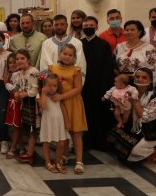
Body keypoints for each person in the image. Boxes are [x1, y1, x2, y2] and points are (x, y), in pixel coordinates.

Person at [106, 67, 156, 164]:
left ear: (150, 80)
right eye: (137, 76)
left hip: (149, 131)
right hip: (133, 128)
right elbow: (123, 111)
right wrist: (119, 103)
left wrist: (135, 102)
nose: (140, 79)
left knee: (133, 151)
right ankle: (138, 153)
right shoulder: (129, 92)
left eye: (144, 77)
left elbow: (144, 117)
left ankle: (152, 151)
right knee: (111, 136)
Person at [49, 44, 87, 175]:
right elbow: (49, 84)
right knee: (62, 132)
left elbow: (78, 89)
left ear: (74, 57)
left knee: (76, 132)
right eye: (64, 54)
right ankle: (63, 155)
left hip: (73, 103)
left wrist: (62, 96)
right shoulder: (53, 68)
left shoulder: (76, 70)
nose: (67, 57)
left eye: (70, 55)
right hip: (58, 104)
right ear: (59, 54)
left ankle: (79, 162)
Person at [80, 16, 115, 151]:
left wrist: (105, 88)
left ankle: (99, 142)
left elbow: (108, 67)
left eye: (91, 25)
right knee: (85, 114)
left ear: (96, 27)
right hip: (83, 86)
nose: (88, 28)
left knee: (99, 115)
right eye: (86, 26)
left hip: (99, 86)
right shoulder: (79, 44)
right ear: (82, 28)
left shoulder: (103, 44)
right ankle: (86, 142)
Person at [9, 50, 39, 162]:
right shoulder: (20, 72)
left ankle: (30, 154)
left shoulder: (34, 71)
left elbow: (35, 90)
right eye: (17, 59)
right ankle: (27, 151)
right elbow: (19, 86)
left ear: (28, 60)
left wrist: (24, 94)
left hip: (32, 102)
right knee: (26, 127)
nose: (19, 61)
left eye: (22, 58)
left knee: (32, 128)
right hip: (24, 102)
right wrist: (17, 92)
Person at [37, 73, 70, 173]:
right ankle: (47, 162)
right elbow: (43, 106)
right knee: (46, 142)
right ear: (44, 85)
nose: (52, 88)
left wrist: (67, 121)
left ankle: (57, 163)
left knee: (61, 143)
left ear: (58, 86)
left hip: (59, 123)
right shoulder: (40, 96)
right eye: (49, 85)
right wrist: (43, 93)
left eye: (54, 86)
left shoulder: (58, 96)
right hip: (48, 122)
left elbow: (63, 108)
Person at [38, 14, 87, 79]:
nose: (59, 27)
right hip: (52, 81)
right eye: (56, 25)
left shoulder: (77, 43)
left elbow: (80, 63)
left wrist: (69, 77)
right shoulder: (46, 43)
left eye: (62, 24)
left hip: (71, 81)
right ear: (53, 26)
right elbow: (45, 63)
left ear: (67, 25)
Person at [1, 53, 20, 155]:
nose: (12, 64)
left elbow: (17, 89)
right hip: (11, 101)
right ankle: (20, 146)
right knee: (12, 126)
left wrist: (8, 85)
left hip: (18, 102)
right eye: (10, 63)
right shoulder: (9, 74)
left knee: (17, 126)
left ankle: (13, 148)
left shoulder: (20, 74)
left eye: (14, 62)